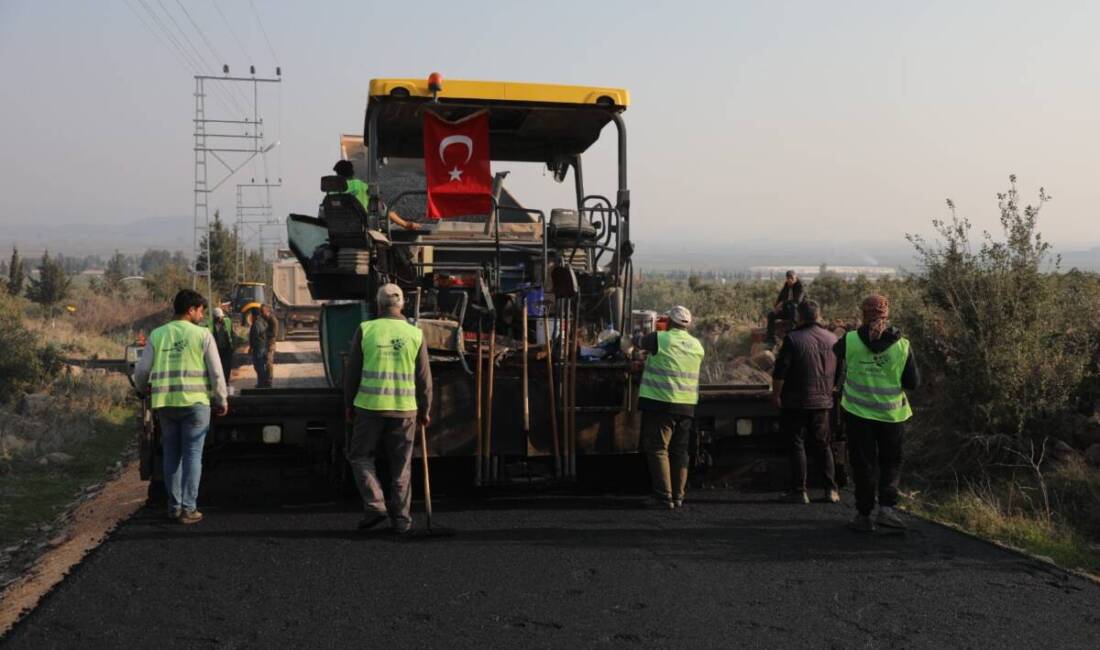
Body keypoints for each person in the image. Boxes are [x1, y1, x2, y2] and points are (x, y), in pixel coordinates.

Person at [132, 289, 228, 525]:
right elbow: (216, 372)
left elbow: (142, 371)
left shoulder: (158, 334)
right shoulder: (203, 335)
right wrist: (221, 399)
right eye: (201, 310)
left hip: (166, 404)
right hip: (196, 405)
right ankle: (189, 509)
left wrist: (141, 389)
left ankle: (173, 507)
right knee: (193, 455)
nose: (202, 315)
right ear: (191, 310)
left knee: (171, 455)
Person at [343, 284, 432, 534]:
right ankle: (402, 520)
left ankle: (375, 505)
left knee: (360, 456)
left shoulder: (366, 330)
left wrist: (348, 405)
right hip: (405, 410)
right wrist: (425, 409)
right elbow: (425, 379)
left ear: (379, 305)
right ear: (401, 305)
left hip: (369, 408)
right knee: (401, 465)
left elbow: (352, 374)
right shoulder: (415, 334)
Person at [835, 295, 920, 533]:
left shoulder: (850, 340)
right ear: (886, 313)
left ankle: (863, 514)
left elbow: (835, 359)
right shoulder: (903, 345)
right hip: (892, 416)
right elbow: (912, 383)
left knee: (863, 464)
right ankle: (887, 511)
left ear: (863, 313)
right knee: (890, 462)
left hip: (858, 414)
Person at [772, 300, 840, 504]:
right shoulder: (833, 339)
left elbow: (780, 372)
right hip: (823, 402)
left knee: (797, 445)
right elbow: (840, 370)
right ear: (819, 316)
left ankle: (799, 491)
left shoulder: (793, 339)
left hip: (796, 402)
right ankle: (831, 490)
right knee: (823, 445)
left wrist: (776, 395)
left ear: (799, 316)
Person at [637, 305, 705, 509]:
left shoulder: (660, 338)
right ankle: (678, 496)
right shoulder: (697, 346)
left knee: (658, 449)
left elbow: (638, 342)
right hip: (686, 406)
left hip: (660, 403)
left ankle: (663, 497)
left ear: (668, 322)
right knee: (680, 451)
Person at [331, 160, 420, 231]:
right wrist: (405, 224)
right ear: (352, 172)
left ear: (338, 174)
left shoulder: (332, 192)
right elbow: (384, 210)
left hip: (340, 230)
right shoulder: (363, 186)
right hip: (361, 229)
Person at [766, 270, 805, 345]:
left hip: (798, 312)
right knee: (771, 315)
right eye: (788, 278)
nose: (790, 280)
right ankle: (771, 339)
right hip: (787, 311)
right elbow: (781, 297)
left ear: (795, 278)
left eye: (792, 278)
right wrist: (776, 306)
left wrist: (783, 303)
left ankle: (791, 337)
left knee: (793, 307)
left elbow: (797, 301)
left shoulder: (800, 286)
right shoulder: (786, 285)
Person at [247, 307, 273, 388]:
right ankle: (262, 383)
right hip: (262, 347)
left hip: (258, 348)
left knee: (258, 366)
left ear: (254, 315)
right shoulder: (262, 322)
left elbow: (255, 337)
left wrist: (251, 348)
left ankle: (263, 383)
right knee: (260, 365)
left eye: (251, 314)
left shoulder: (256, 324)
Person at [210, 307, 235, 378]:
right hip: (216, 350)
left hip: (227, 349)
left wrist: (233, 345)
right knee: (218, 367)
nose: (220, 319)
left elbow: (232, 334)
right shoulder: (210, 324)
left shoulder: (227, 321)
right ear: (214, 317)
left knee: (227, 367)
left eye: (221, 317)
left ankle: (226, 382)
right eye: (218, 317)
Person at [260, 303, 278, 385]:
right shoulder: (265, 319)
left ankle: (269, 380)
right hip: (266, 343)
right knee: (265, 361)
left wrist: (264, 334)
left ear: (267, 311)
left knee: (268, 361)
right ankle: (266, 379)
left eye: (262, 312)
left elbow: (274, 334)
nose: (261, 314)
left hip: (270, 344)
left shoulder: (273, 320)